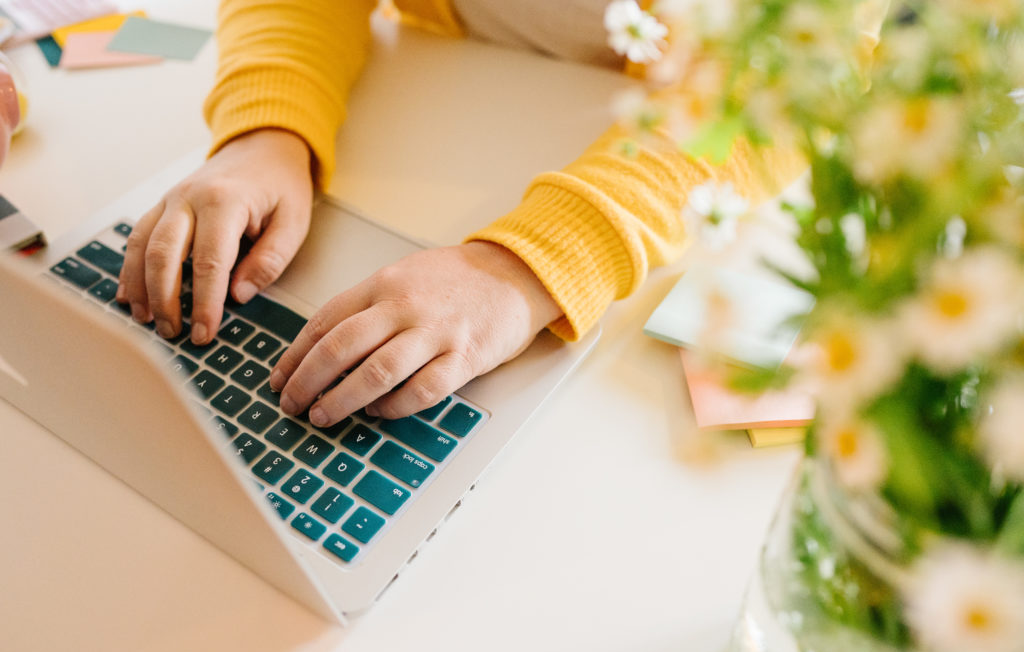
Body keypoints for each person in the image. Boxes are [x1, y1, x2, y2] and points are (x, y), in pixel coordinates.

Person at [116, 0, 799, 429]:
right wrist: (267, 130)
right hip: (435, 93)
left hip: (661, 189)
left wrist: (524, 267)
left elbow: (781, 86)